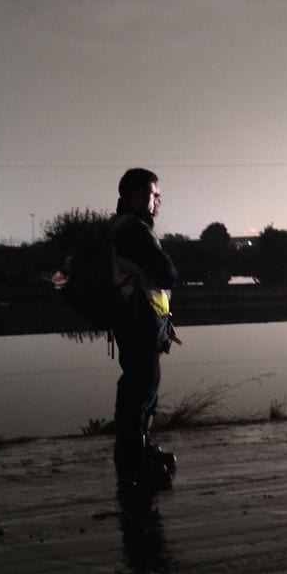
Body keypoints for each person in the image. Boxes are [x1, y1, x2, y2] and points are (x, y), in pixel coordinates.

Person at [108, 168, 179, 489]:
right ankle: (132, 459)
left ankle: (139, 448)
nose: (158, 201)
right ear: (138, 195)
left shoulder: (126, 227)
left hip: (140, 319)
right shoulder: (133, 230)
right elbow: (166, 274)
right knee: (139, 387)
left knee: (143, 386)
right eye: (154, 195)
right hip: (137, 320)